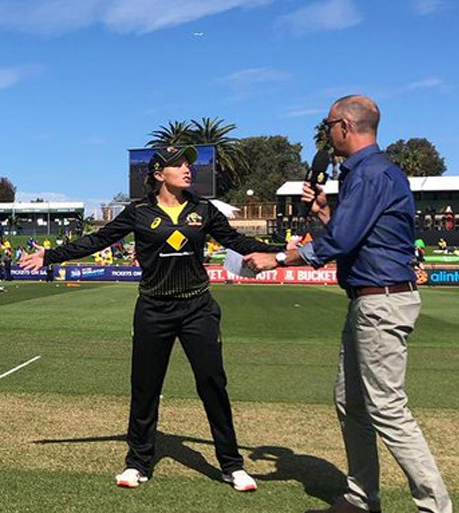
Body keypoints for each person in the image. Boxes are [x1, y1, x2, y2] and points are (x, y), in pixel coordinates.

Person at [244, 95, 459, 513]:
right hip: (369, 301)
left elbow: (341, 241)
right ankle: (362, 498)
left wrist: (276, 258)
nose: (326, 136)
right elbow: (353, 233)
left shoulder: (372, 173)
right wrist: (324, 212)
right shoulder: (367, 174)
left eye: (328, 127)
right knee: (351, 402)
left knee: (388, 409)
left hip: (381, 303)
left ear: (344, 126)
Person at [21, 146, 282, 491]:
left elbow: (235, 239)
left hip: (197, 307)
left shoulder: (203, 209)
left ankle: (231, 465)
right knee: (145, 387)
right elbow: (99, 239)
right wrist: (51, 255)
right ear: (159, 174)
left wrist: (279, 252)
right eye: (179, 165)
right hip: (154, 309)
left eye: (189, 163)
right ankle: (138, 462)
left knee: (212, 384)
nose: (188, 169)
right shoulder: (139, 211)